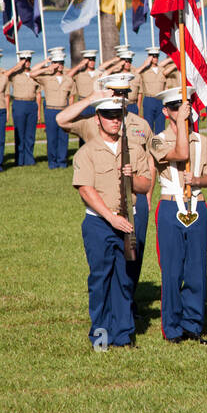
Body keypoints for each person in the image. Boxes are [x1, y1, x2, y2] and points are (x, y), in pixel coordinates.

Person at [57, 73, 155, 294]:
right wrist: (91, 98)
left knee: (133, 256)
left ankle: (129, 304)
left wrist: (148, 194)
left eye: (124, 94)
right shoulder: (95, 121)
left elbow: (151, 159)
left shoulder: (140, 124)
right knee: (106, 260)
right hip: (104, 200)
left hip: (136, 200)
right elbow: (61, 120)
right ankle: (113, 306)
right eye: (115, 93)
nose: (120, 97)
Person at [72, 92, 155, 350]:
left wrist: (133, 178)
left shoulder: (133, 150)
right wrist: (111, 218)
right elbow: (86, 189)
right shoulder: (87, 152)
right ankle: (100, 337)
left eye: (117, 116)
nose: (114, 121)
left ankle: (123, 335)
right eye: (108, 117)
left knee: (124, 279)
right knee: (100, 280)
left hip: (127, 220)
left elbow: (146, 183)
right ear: (98, 119)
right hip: (99, 223)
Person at [149, 86, 207, 344]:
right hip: (170, 207)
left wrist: (197, 178)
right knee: (172, 271)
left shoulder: (202, 141)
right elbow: (180, 154)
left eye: (185, 107)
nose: (182, 112)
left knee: (196, 270)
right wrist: (179, 124)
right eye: (176, 108)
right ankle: (173, 327)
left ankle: (193, 324)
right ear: (167, 111)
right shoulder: (157, 139)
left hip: (197, 205)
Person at [35, 47, 76, 169]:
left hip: (63, 110)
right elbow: (32, 73)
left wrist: (71, 112)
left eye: (62, 63)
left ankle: (62, 161)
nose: (60, 66)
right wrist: (46, 66)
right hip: (50, 109)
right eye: (57, 63)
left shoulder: (68, 79)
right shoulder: (46, 77)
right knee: (52, 137)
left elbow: (71, 97)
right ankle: (52, 162)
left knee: (63, 138)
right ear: (53, 64)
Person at [8, 50, 41, 167]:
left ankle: (29, 158)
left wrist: (38, 112)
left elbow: (38, 94)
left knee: (30, 134)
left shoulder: (34, 74)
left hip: (31, 104)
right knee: (20, 133)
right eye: (24, 60)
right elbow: (6, 75)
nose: (27, 62)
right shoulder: (15, 75)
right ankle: (19, 159)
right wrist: (17, 67)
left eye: (28, 60)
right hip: (19, 104)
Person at [137, 47, 168, 133]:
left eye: (157, 56)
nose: (155, 58)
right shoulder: (144, 71)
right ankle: (149, 145)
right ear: (149, 57)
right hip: (149, 100)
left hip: (160, 100)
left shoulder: (162, 70)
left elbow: (166, 86)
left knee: (161, 126)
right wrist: (145, 64)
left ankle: (159, 144)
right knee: (148, 126)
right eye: (153, 56)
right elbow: (135, 73)